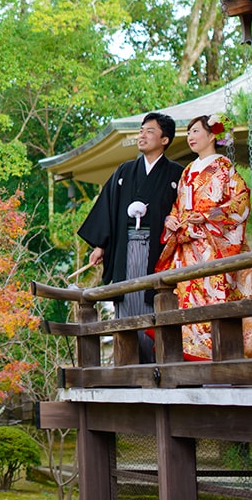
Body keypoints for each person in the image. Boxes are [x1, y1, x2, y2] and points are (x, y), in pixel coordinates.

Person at [157, 114, 252, 361]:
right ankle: (194, 357)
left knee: (215, 299)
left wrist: (210, 215)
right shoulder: (188, 171)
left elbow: (241, 201)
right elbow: (178, 206)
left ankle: (222, 356)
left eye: (195, 131)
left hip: (213, 245)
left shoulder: (224, 167)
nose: (190, 137)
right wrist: (170, 220)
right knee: (188, 301)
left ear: (212, 134)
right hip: (188, 247)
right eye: (189, 132)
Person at [78, 112, 184, 363]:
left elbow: (184, 212)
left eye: (149, 131)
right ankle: (127, 365)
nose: (142, 135)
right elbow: (109, 210)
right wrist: (101, 245)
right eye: (141, 130)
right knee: (125, 304)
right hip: (125, 250)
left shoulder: (176, 175)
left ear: (165, 139)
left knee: (155, 303)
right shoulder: (124, 172)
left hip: (158, 252)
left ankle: (158, 365)